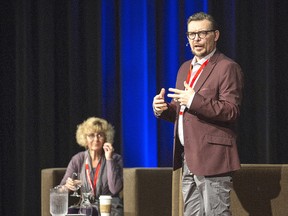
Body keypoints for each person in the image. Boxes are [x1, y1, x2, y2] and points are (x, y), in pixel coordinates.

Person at [152, 12, 244, 216]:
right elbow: (182, 110)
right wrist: (163, 109)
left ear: (216, 35)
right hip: (188, 157)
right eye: (192, 35)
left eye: (202, 33)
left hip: (214, 158)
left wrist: (194, 100)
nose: (196, 39)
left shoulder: (226, 67)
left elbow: (231, 110)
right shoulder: (185, 68)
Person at [60, 117, 123, 216]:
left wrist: (109, 159)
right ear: (85, 138)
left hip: (109, 207)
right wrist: (68, 186)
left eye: (100, 135)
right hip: (86, 207)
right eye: (91, 135)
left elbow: (115, 189)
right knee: (67, 213)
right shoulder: (78, 159)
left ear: (106, 138)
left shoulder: (115, 158)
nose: (96, 139)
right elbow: (61, 189)